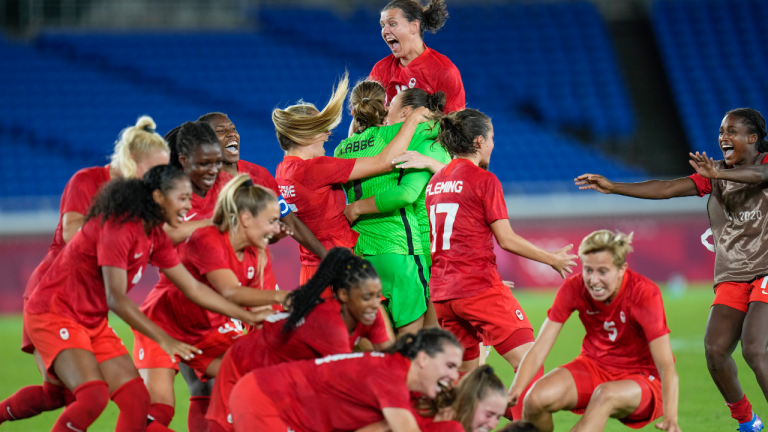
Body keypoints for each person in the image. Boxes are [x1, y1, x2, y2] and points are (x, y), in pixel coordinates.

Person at [15, 165, 266, 432]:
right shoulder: (119, 228)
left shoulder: (154, 235)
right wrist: (165, 339)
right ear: (158, 198)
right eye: (182, 199)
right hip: (55, 312)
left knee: (135, 400)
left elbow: (193, 288)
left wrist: (247, 315)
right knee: (92, 396)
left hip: (90, 319)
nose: (187, 206)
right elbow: (116, 299)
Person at [575, 108, 768, 432]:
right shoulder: (715, 173)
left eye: (732, 131)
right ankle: (747, 420)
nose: (723, 137)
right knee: (715, 351)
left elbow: (759, 177)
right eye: (721, 131)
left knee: (752, 349)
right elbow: (666, 188)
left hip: (766, 270)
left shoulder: (757, 168)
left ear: (753, 138)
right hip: (732, 274)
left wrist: (719, 176)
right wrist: (614, 187)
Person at [0, 115, 171, 426]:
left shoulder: (142, 203)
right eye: (155, 170)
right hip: (55, 294)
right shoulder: (88, 181)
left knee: (62, 396)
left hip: (89, 304)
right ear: (133, 160)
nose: (160, 178)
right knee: (86, 394)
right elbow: (71, 234)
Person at [425, 108, 577, 420]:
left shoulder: (436, 181)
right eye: (492, 138)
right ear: (479, 141)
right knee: (530, 361)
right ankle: (523, 423)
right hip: (477, 288)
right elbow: (505, 238)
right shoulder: (484, 180)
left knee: (466, 381)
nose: (495, 143)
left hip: (443, 295)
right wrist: (552, 259)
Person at [133, 174, 287, 430]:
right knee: (157, 412)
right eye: (271, 221)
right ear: (247, 219)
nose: (277, 230)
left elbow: (264, 314)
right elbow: (230, 292)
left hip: (205, 331)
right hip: (162, 325)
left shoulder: (258, 252)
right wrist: (284, 297)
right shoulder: (208, 239)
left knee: (264, 371)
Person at [206, 247, 394, 432]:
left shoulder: (369, 313)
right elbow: (342, 391)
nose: (374, 304)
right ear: (343, 295)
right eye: (367, 297)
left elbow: (394, 363)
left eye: (377, 296)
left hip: (279, 376)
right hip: (244, 368)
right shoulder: (330, 325)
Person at [508, 230, 680, 432]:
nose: (593, 280)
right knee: (535, 399)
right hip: (594, 366)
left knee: (604, 395)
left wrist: (671, 417)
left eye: (603, 272)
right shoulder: (573, 288)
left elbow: (666, 365)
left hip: (643, 380)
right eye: (588, 270)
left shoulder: (644, 293)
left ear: (621, 269)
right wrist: (515, 391)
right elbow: (538, 350)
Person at [273, 74, 431, 285]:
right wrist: (412, 120)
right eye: (322, 127)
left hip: (310, 270)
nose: (328, 133)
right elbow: (385, 161)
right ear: (306, 134)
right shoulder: (316, 168)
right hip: (339, 268)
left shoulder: (283, 171)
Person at [334, 80, 446, 337]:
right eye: (388, 103)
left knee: (376, 339)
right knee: (415, 343)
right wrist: (426, 115)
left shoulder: (341, 149)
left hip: (361, 251)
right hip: (400, 250)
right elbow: (444, 127)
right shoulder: (399, 137)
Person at [229, 327, 463, 432]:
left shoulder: (397, 379)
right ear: (422, 359)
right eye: (450, 366)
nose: (454, 376)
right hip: (265, 400)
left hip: (266, 395)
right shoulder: (392, 376)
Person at [197, 112, 328, 259]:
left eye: (233, 129)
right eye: (220, 131)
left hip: (257, 272)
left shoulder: (260, 175)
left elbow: (290, 221)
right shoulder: (196, 184)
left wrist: (327, 257)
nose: (231, 134)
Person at [371, 0, 465, 114]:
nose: (384, 31)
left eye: (392, 24)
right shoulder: (380, 70)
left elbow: (454, 125)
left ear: (414, 26)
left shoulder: (444, 71)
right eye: (382, 25)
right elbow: (369, 119)